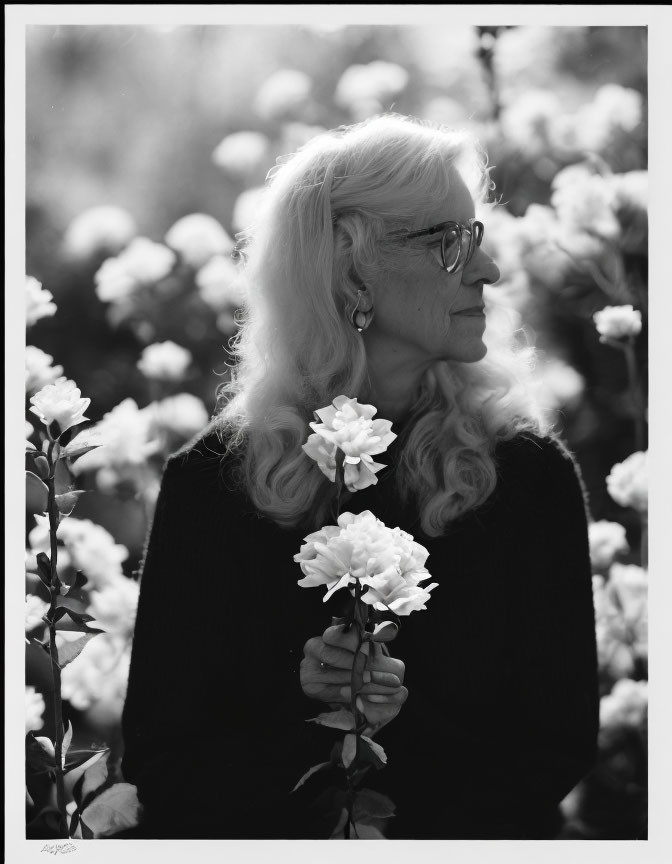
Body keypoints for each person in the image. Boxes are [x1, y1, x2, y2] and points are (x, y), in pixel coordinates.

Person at [121, 114, 599, 839]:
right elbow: (164, 764)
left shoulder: (528, 479)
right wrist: (305, 710)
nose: (489, 270)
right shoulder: (212, 487)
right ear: (351, 268)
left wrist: (402, 726)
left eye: (474, 237)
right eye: (447, 241)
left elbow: (554, 754)